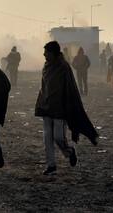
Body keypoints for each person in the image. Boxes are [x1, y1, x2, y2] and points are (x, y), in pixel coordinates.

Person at [35, 41, 98, 175]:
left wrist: (68, 107)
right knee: (47, 138)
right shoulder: (46, 66)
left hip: (59, 108)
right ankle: (51, 165)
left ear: (54, 53)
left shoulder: (63, 67)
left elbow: (70, 89)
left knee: (58, 137)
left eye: (47, 52)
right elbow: (43, 87)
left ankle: (69, 151)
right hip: (46, 106)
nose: (44, 54)